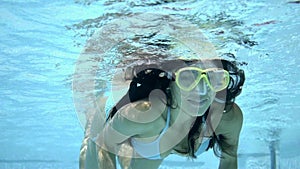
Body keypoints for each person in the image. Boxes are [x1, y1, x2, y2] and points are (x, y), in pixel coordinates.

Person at [79, 58, 245, 169]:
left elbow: (229, 157)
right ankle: (92, 118)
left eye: (213, 78)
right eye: (187, 78)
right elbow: (104, 146)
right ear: (169, 82)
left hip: (149, 138)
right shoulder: (145, 114)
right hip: (117, 125)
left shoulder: (226, 118)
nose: (202, 90)